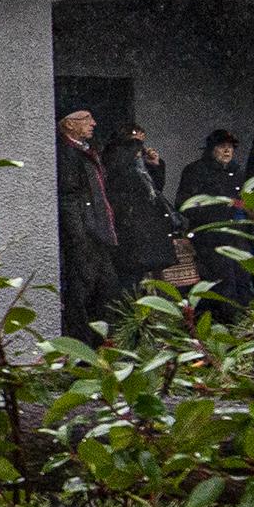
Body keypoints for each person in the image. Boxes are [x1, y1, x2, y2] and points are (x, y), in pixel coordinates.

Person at [56, 107, 126, 341]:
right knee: (82, 296)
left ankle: (103, 345)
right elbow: (68, 198)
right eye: (86, 118)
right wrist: (80, 237)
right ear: (68, 124)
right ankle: (83, 350)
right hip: (86, 239)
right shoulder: (67, 154)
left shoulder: (85, 152)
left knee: (107, 293)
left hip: (97, 237)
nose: (93, 123)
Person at [178, 128, 254, 310]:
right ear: (211, 149)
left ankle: (242, 323)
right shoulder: (195, 171)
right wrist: (216, 212)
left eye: (230, 147)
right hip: (211, 239)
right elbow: (184, 204)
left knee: (242, 281)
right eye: (222, 146)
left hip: (239, 239)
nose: (227, 151)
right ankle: (225, 325)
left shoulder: (238, 173)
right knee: (223, 284)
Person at [111, 123, 178, 297]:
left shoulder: (140, 164)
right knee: (130, 276)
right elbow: (122, 180)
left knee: (149, 273)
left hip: (148, 226)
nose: (140, 146)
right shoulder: (117, 157)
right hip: (131, 224)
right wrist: (133, 147)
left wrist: (155, 166)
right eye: (135, 140)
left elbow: (156, 189)